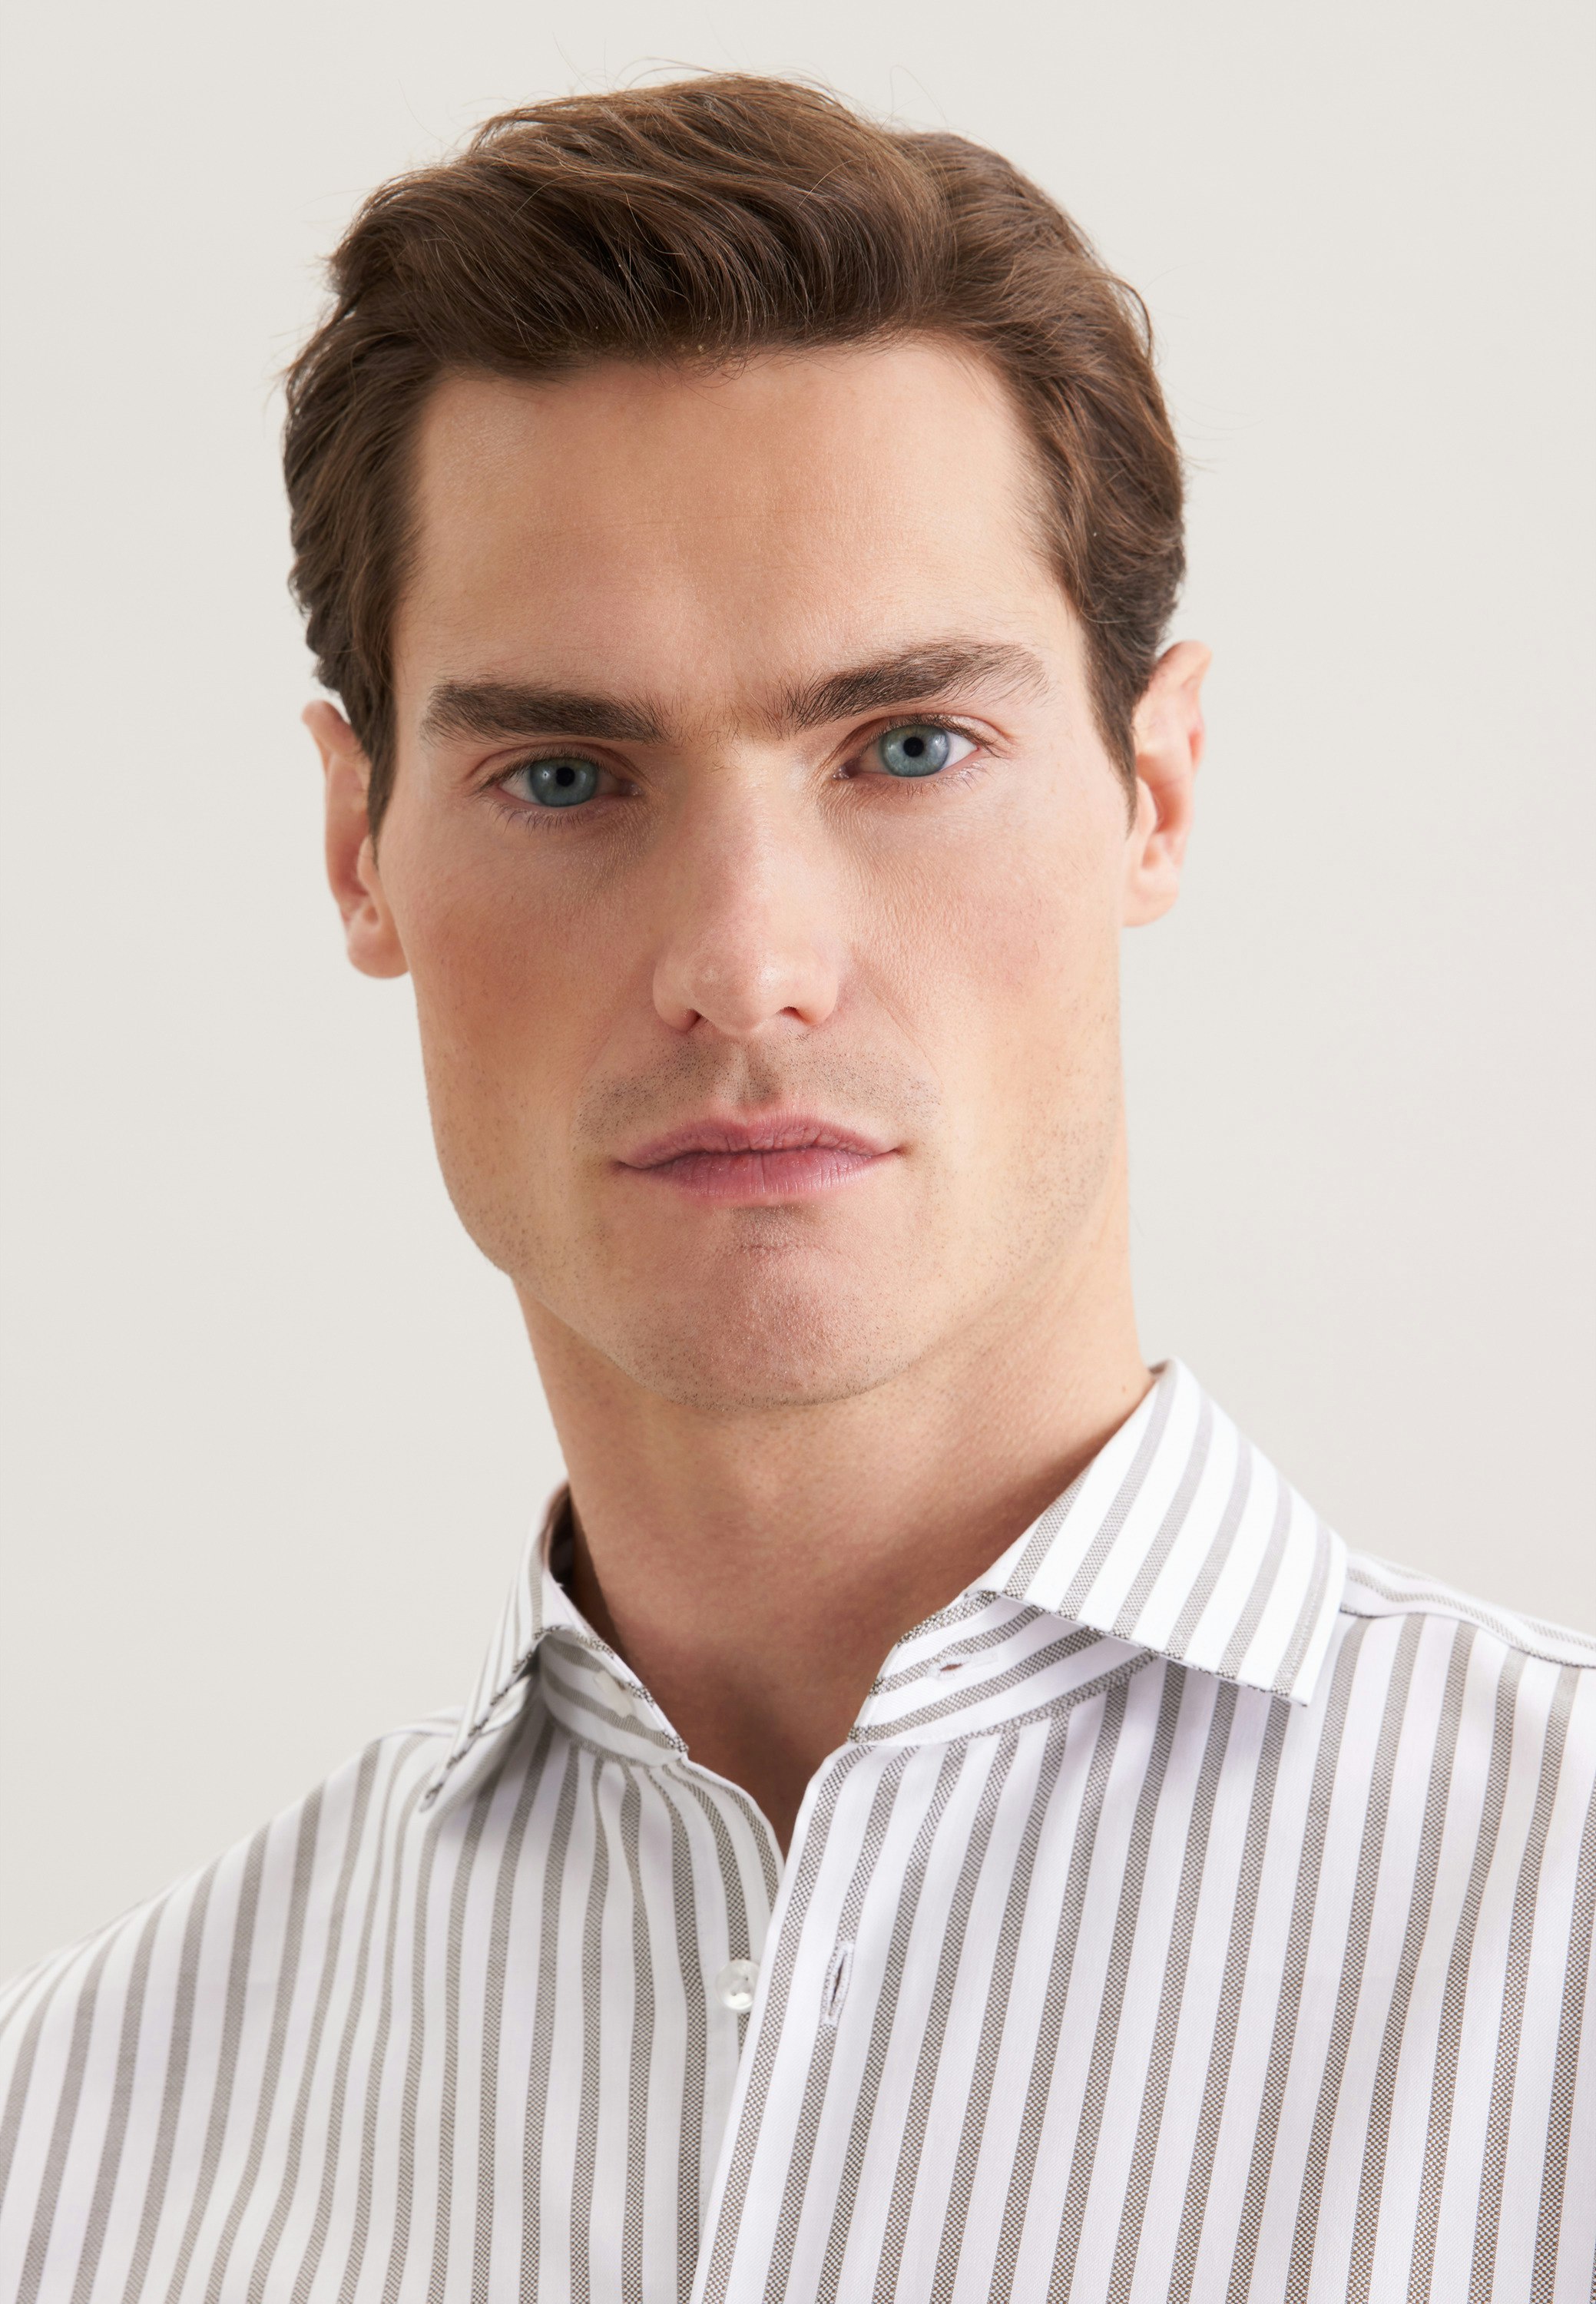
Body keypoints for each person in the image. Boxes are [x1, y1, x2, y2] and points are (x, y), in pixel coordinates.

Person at [1, 72, 1591, 2304]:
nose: (745, 963)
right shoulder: (81, 2137)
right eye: (565, 774)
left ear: (1156, 790)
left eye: (908, 747)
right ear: (359, 847)